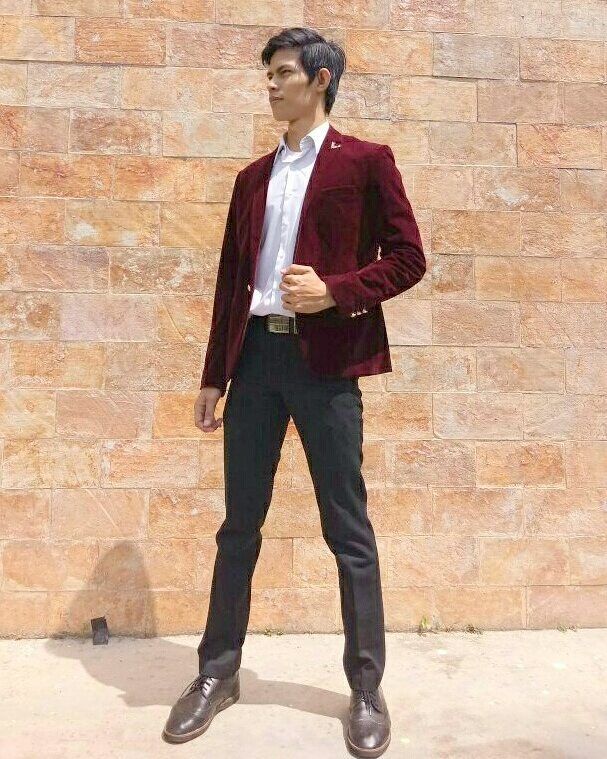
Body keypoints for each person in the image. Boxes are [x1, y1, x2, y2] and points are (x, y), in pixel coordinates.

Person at [162, 26, 426, 758]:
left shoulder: (365, 162)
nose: (272, 85)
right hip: (254, 364)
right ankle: (216, 673)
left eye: (283, 73)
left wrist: (336, 290)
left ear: (320, 79)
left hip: (327, 368)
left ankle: (366, 688)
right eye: (269, 75)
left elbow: (409, 258)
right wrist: (214, 374)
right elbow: (230, 281)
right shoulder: (252, 178)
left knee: (348, 530)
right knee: (238, 526)